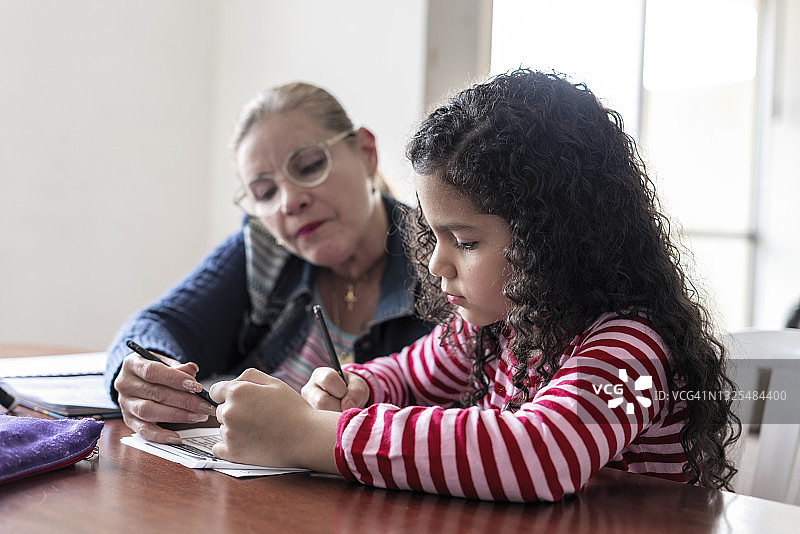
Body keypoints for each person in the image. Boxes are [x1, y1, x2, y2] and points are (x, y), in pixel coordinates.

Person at [207, 69, 741, 502]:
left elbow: (537, 455)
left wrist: (308, 435)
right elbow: (406, 373)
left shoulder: (630, 347)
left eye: (463, 241)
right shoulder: (497, 330)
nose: (436, 263)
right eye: (433, 236)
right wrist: (359, 386)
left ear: (551, 239)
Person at [105, 82, 431, 444]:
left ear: (367, 153)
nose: (289, 202)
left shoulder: (445, 263)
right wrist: (143, 373)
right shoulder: (263, 250)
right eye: (265, 192)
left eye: (309, 166)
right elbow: (157, 323)